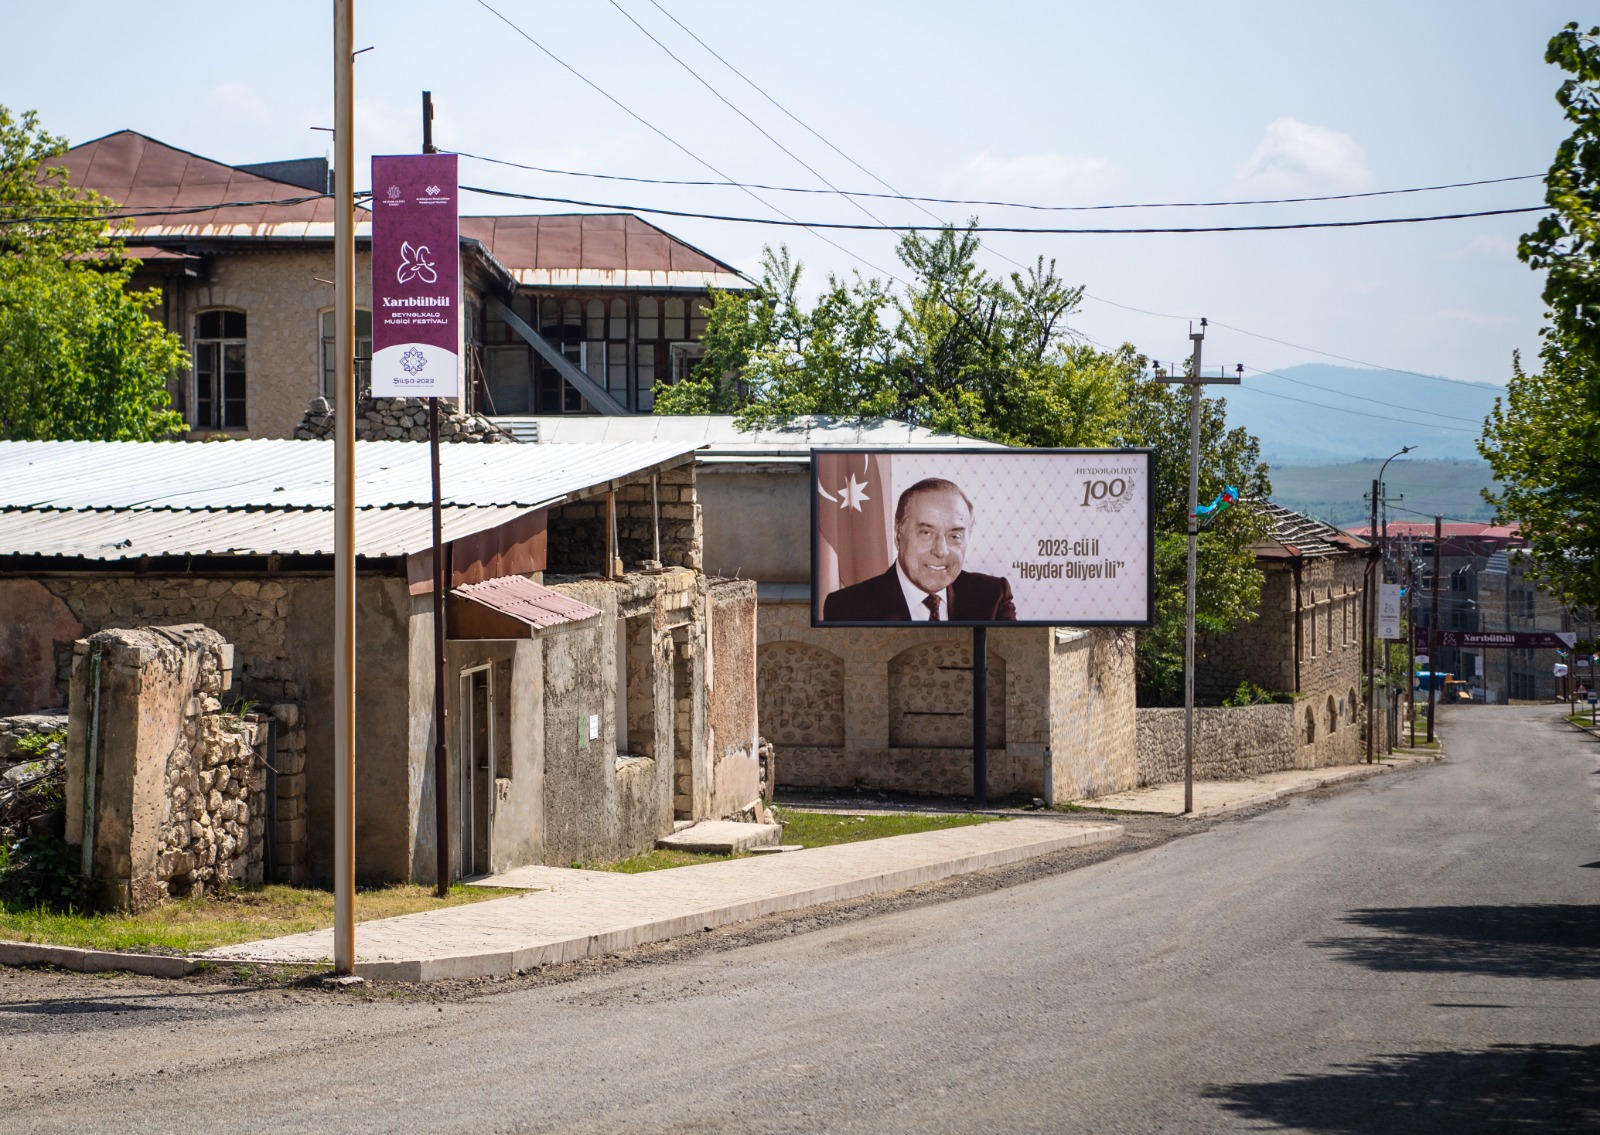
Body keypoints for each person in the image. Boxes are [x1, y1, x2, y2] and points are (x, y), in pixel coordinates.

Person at [822, 477, 1017, 622]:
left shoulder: (993, 596)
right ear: (898, 535)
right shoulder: (848, 607)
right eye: (926, 533)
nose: (941, 551)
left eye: (954, 536)